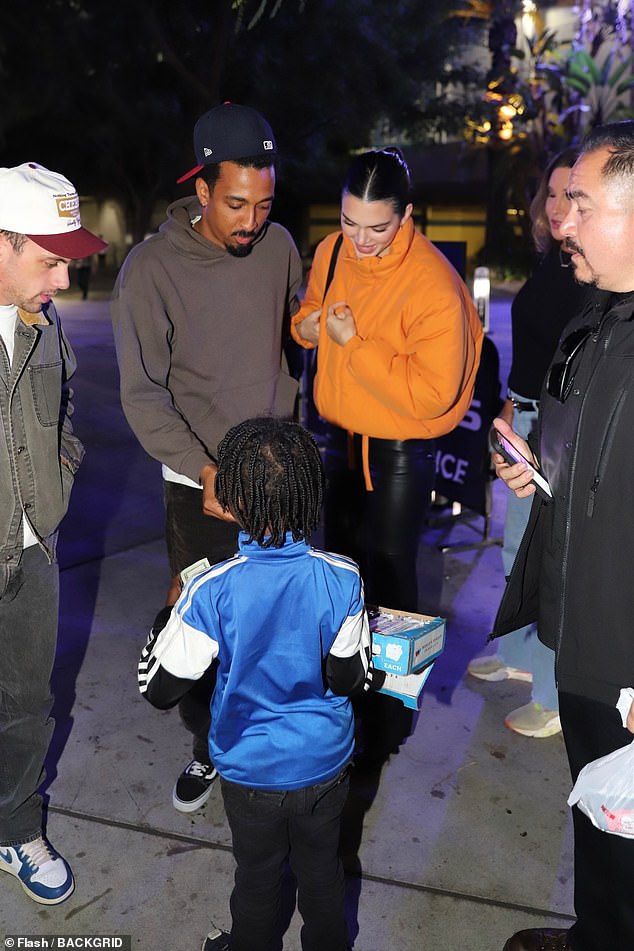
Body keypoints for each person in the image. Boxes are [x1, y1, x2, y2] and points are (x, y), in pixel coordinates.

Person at [111, 103, 303, 813]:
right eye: (235, 203)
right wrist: (205, 470)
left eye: (264, 202)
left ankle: (265, 736)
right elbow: (143, 395)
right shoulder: (150, 270)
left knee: (278, 626)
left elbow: (290, 335)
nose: (251, 219)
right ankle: (207, 746)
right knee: (208, 634)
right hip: (200, 482)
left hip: (281, 474)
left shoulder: (280, 246)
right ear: (200, 189)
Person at [138, 417, 372, 951]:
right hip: (325, 764)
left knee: (259, 877)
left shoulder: (210, 588)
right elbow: (347, 676)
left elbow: (159, 688)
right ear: (310, 492)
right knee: (322, 874)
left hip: (249, 770)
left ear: (232, 501)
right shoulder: (342, 575)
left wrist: (167, 614)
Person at [491, 122, 634, 951]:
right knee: (598, 804)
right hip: (580, 641)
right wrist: (532, 469)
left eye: (579, 203)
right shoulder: (592, 317)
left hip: (628, 661)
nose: (561, 220)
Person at [291, 148, 483, 763]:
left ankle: (393, 712)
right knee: (341, 574)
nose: (361, 240)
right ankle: (345, 693)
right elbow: (303, 321)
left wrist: (354, 342)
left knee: (392, 578)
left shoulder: (432, 283)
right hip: (338, 439)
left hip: (399, 449)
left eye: (378, 226)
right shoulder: (330, 252)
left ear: (406, 216)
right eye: (349, 222)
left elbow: (433, 393)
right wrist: (313, 328)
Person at [0, 163, 106, 904]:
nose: (63, 280)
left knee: (27, 704)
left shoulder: (43, 320)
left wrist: (59, 474)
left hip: (33, 549)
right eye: (49, 259)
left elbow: (63, 409)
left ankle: (13, 828)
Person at [468, 148, 590, 738]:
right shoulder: (552, 259)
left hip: (560, 426)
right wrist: (510, 405)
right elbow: (533, 350)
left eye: (575, 195)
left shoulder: (594, 269)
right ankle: (519, 654)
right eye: (554, 193)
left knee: (543, 560)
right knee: (515, 551)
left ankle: (553, 694)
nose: (561, 207)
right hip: (528, 416)